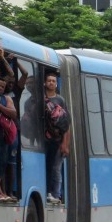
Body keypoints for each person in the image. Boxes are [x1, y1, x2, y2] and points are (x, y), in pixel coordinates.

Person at [44, 73, 70, 204]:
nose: (51, 83)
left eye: (53, 81)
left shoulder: (60, 100)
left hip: (57, 140)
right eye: (48, 80)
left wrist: (65, 144)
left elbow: (66, 124)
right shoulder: (40, 98)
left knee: (56, 168)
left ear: (56, 84)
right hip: (44, 139)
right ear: (44, 83)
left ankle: (56, 193)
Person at [0, 77, 18, 202]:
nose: (0, 88)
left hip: (4, 137)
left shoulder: (6, 99)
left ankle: (1, 190)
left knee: (2, 164)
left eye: (2, 86)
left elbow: (13, 114)